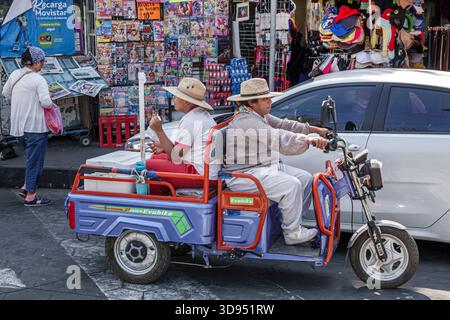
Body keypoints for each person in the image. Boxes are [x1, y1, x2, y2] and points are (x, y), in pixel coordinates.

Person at [226, 78, 329, 245]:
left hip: (262, 166)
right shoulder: (246, 121)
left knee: (305, 179)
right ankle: (292, 233)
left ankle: (294, 224)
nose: (269, 102)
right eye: (265, 99)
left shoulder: (260, 115)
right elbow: (278, 137)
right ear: (252, 102)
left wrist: (315, 130)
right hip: (244, 174)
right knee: (292, 185)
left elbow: (283, 125)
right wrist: (309, 140)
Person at [146, 77, 219, 190]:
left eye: (176, 96)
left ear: (185, 101)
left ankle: (157, 200)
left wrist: (159, 130)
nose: (173, 98)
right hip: (206, 171)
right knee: (156, 157)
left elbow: (175, 157)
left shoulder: (190, 120)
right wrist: (164, 147)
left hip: (201, 174)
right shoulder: (201, 115)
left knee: (148, 164)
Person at [2, 46, 52, 206]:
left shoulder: (15, 74)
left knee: (31, 158)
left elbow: (5, 93)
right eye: (42, 61)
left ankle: (26, 186)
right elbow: (46, 103)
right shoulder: (39, 80)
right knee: (35, 161)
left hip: (18, 127)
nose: (42, 64)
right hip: (35, 126)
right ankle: (31, 195)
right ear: (36, 63)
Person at [286, 19, 307, 87]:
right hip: (295, 69)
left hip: (293, 69)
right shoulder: (299, 48)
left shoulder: (294, 47)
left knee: (293, 82)